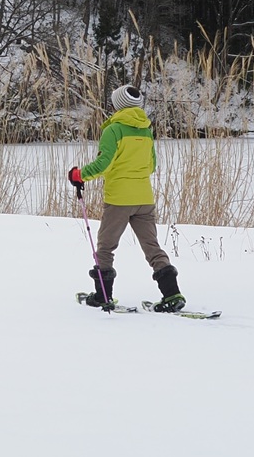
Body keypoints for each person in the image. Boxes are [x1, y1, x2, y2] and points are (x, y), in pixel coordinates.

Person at [69, 82, 185, 311]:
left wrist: (80, 175)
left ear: (118, 104)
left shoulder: (114, 130)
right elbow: (152, 166)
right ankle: (172, 294)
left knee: (105, 247)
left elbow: (104, 164)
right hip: (144, 198)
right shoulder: (145, 130)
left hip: (119, 200)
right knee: (152, 247)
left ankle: (103, 295)